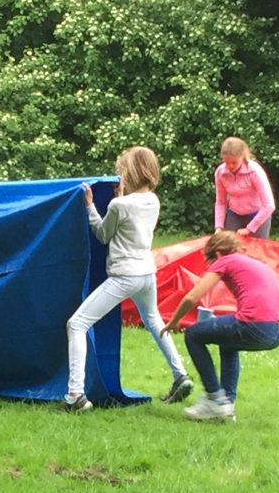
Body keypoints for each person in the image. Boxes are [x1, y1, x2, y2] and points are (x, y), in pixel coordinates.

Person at [63, 146, 194, 412]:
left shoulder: (118, 204)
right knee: (154, 320)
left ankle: (75, 394)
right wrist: (120, 198)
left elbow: (102, 234)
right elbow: (131, 219)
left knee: (77, 324)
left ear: (130, 172)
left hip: (124, 275)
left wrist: (89, 206)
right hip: (147, 273)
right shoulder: (153, 200)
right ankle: (180, 374)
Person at [161, 230, 279, 422]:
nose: (211, 266)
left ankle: (214, 398)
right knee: (228, 343)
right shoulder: (254, 262)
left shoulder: (225, 260)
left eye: (210, 261)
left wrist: (173, 321)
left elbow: (192, 296)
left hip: (256, 324)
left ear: (218, 253)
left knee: (193, 335)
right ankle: (226, 405)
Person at [213, 136, 275, 239]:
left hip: (257, 215)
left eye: (234, 162)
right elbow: (221, 202)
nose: (230, 166)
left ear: (242, 156)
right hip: (235, 214)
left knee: (257, 252)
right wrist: (218, 227)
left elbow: (269, 205)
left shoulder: (254, 171)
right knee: (228, 249)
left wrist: (249, 229)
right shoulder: (220, 172)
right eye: (227, 162)